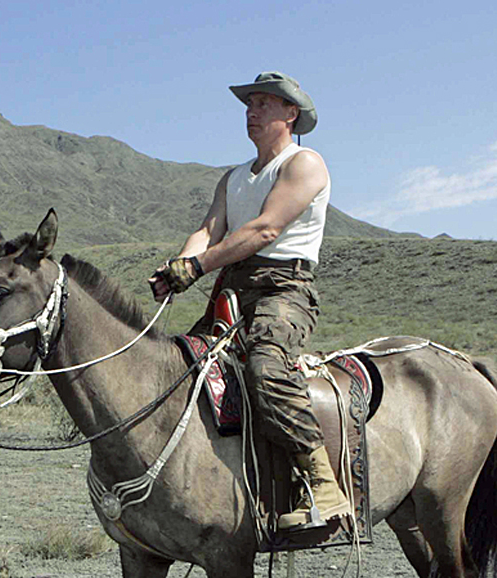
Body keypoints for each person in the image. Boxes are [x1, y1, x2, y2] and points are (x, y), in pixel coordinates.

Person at [149, 71, 351, 534]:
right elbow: (208, 230)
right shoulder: (234, 178)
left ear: (290, 113)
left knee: (265, 368)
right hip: (233, 289)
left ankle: (324, 485)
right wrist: (179, 265)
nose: (252, 111)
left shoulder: (305, 164)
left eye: (264, 103)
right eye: (249, 104)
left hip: (285, 289)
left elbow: (265, 230)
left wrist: (198, 268)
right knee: (178, 367)